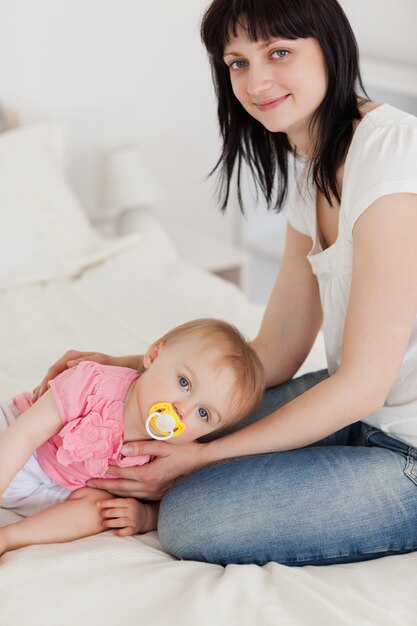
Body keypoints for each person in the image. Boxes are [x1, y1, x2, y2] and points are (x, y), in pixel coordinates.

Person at [33, 0, 417, 567]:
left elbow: (362, 386)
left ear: (331, 48)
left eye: (279, 52)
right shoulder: (310, 167)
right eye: (237, 63)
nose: (256, 81)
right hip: (359, 414)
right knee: (176, 428)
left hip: (401, 442)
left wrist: (205, 463)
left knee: (193, 517)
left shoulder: (390, 155)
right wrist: (129, 364)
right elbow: (277, 349)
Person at [0, 318, 264, 556]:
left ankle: (8, 538)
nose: (183, 411)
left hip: (54, 489)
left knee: (101, 510)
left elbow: (163, 498)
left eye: (204, 413)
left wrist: (146, 516)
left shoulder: (168, 455)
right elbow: (26, 433)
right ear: (153, 355)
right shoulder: (94, 383)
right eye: (184, 383)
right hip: (18, 443)